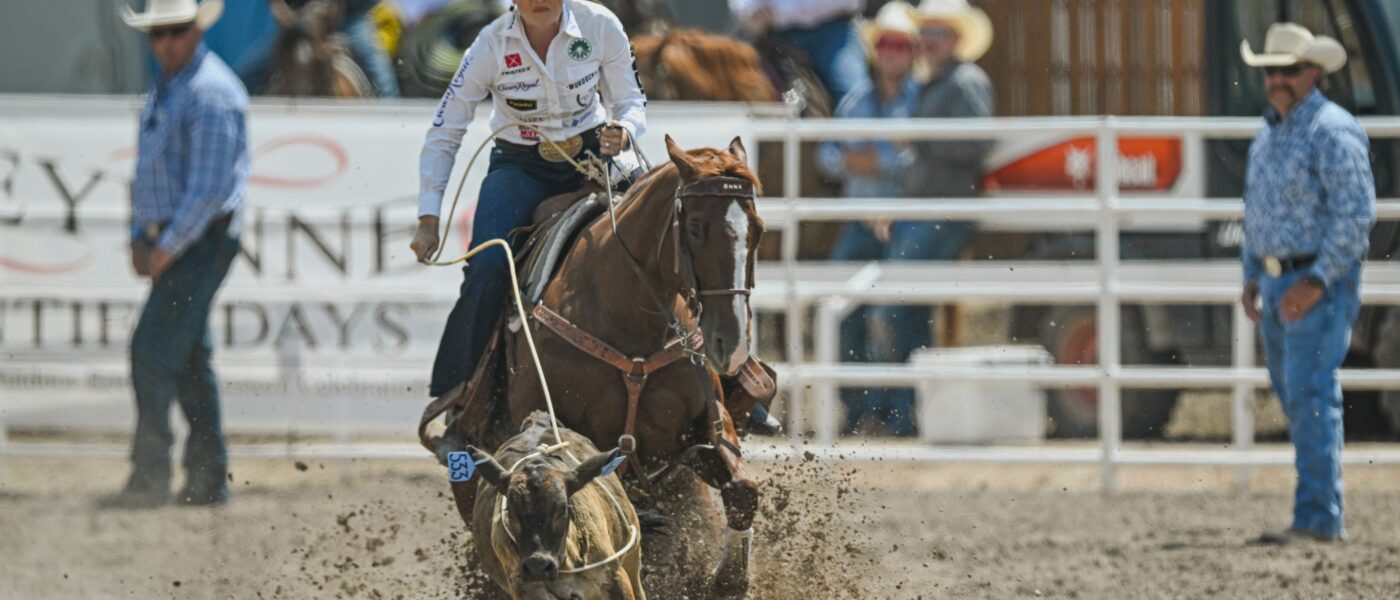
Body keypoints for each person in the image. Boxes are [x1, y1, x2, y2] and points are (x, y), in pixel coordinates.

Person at [410, 0, 645, 412]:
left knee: (668, 229)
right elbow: (445, 129)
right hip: (520, 167)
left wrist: (624, 131)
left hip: (596, 158)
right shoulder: (488, 45)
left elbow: (630, 101)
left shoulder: (602, 25)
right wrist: (429, 218)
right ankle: (460, 396)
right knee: (486, 268)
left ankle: (727, 378)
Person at [100, 0, 248, 509]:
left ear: (194, 31)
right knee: (187, 359)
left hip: (198, 241)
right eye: (157, 34)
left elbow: (209, 191)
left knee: (150, 352)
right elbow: (154, 174)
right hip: (186, 240)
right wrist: (144, 236)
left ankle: (152, 474)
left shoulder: (209, 93)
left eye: (175, 32)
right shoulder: (176, 85)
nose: (166, 43)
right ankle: (208, 479)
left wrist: (161, 246)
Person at [1238, 23, 1375, 545]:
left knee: (1310, 394)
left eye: (1288, 70)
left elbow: (1355, 215)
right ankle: (1316, 511)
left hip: (1312, 281)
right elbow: (1258, 207)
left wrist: (1317, 280)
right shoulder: (1272, 129)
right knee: (1298, 395)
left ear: (1312, 72)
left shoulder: (1330, 130)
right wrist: (1252, 272)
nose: (1277, 79)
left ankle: (1318, 517)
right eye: (1271, 70)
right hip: (1280, 281)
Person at [817, 2, 925, 436]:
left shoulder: (921, 99)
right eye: (886, 44)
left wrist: (871, 159)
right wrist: (853, 160)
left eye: (900, 45)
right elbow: (824, 155)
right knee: (846, 315)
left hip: (902, 221)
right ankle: (859, 409)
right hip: (862, 220)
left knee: (895, 314)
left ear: (912, 52)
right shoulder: (857, 99)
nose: (892, 52)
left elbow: (923, 159)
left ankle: (898, 412)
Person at [729, 0, 870, 107]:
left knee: (856, 94)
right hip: (778, 38)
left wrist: (778, 10)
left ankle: (856, 144)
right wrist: (751, 10)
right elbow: (743, 6)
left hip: (834, 34)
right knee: (741, 90)